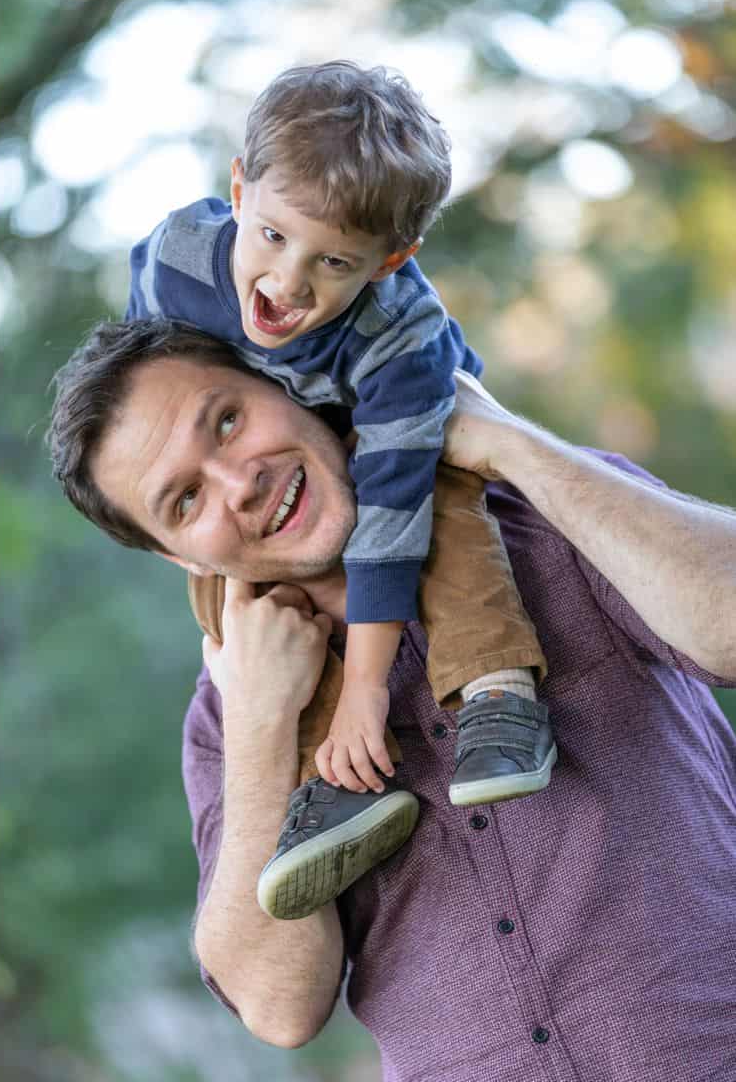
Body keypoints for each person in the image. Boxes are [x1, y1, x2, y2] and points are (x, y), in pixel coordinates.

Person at [48, 317, 736, 1079]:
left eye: (229, 421)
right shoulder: (226, 717)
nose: (240, 483)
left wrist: (508, 442)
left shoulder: (550, 516)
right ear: (177, 555)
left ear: (291, 386)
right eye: (184, 500)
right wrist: (262, 727)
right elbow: (279, 1008)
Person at [121, 60, 556, 918]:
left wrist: (367, 687)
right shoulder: (174, 263)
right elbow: (158, 396)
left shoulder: (402, 338)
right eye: (274, 237)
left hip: (404, 439)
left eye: (333, 262)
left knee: (448, 511)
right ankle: (340, 781)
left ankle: (500, 695)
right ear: (239, 190)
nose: (286, 285)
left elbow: (389, 519)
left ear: (391, 260)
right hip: (283, 440)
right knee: (228, 582)